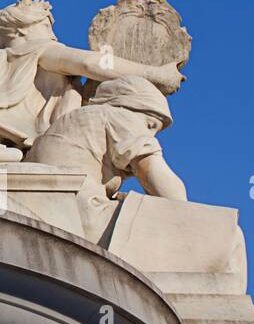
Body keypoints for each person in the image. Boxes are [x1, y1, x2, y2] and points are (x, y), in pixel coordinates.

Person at [0, 0, 184, 148]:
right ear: (21, 30)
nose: (53, 35)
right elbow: (91, 63)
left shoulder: (1, 62)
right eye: (45, 26)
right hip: (57, 141)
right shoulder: (40, 49)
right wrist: (156, 74)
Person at [26, 75, 186, 242]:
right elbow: (173, 198)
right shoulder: (120, 117)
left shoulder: (73, 120)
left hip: (57, 213)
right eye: (150, 126)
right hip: (85, 218)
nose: (150, 134)